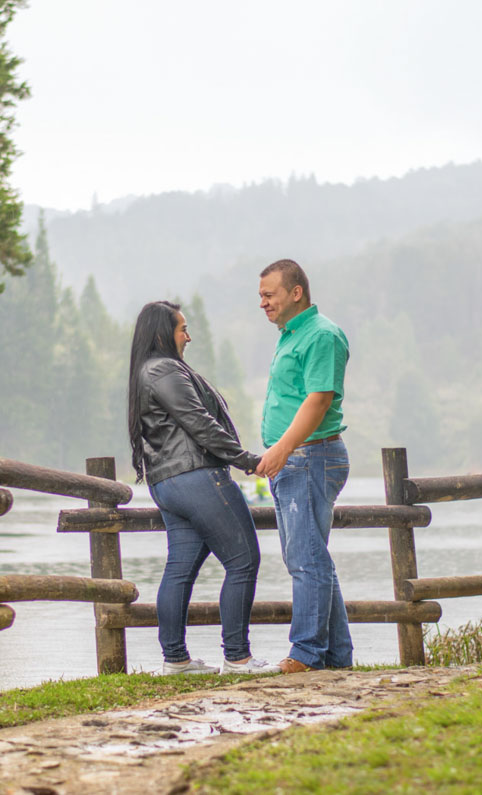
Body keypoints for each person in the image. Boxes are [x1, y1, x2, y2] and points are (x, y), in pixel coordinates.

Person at [128, 301, 277, 675]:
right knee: (243, 561)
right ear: (164, 333)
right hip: (196, 477)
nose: (188, 336)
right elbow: (201, 424)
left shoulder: (147, 371)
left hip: (168, 483)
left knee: (180, 569)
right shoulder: (164, 369)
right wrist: (248, 460)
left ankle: (176, 660)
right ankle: (238, 657)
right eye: (183, 329)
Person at [255, 260, 352, 673]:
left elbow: (318, 401)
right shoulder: (291, 335)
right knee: (312, 557)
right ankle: (335, 656)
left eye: (269, 295)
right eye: (260, 296)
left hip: (311, 457)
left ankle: (306, 655)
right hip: (297, 459)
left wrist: (280, 450)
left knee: (306, 559)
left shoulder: (322, 335)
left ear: (296, 293)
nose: (263, 303)